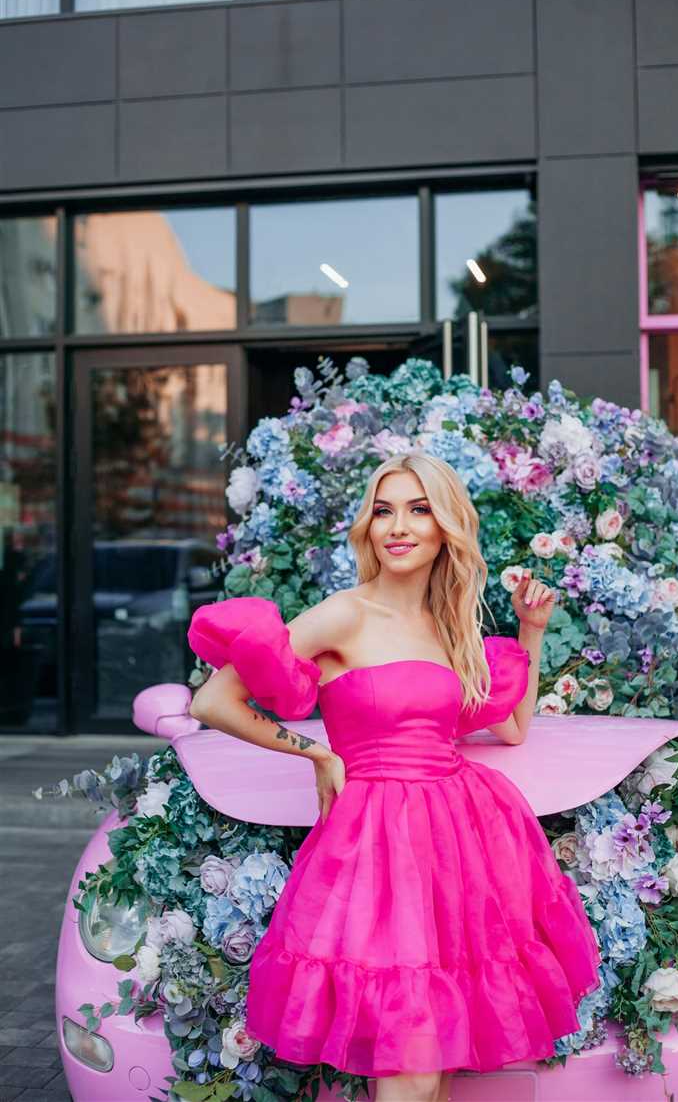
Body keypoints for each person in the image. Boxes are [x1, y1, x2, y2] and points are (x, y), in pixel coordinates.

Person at [187, 450, 602, 1102]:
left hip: (458, 850)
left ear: (445, 528)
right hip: (375, 850)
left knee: (433, 1068)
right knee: (407, 1065)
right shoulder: (344, 613)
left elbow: (513, 728)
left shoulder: (449, 625)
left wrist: (532, 630)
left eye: (418, 509)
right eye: (383, 511)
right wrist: (317, 753)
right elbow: (212, 700)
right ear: (368, 527)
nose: (398, 526)